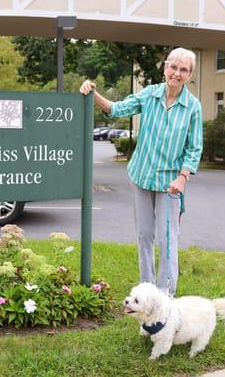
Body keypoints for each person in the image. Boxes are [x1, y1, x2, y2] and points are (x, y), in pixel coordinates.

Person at [80, 47, 203, 296]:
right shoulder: (149, 94)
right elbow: (117, 109)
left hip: (170, 183)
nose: (176, 73)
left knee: (167, 241)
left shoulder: (193, 107)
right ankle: (147, 292)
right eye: (173, 67)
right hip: (141, 176)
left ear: (190, 75)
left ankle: (165, 296)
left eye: (183, 70)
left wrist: (183, 177)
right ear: (165, 68)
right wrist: (93, 93)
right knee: (144, 236)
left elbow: (194, 147)